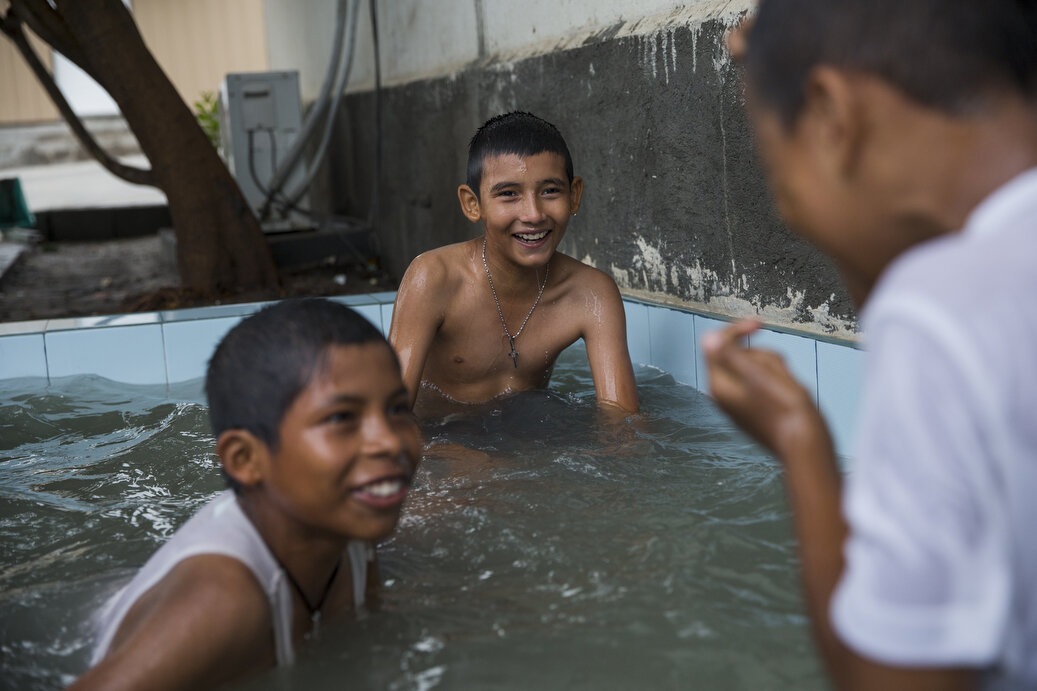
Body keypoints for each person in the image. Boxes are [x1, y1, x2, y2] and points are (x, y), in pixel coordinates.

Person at [703, 1, 1037, 688]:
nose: (793, 215)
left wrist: (799, 441)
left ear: (830, 114)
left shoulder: (939, 308)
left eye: (779, 180)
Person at [69, 299, 422, 690]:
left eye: (397, 409)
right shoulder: (222, 603)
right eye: (341, 418)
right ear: (245, 459)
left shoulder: (350, 525)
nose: (390, 441)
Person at [389, 111, 639, 414]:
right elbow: (388, 416)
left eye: (550, 191)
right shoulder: (433, 278)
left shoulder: (591, 294)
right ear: (473, 204)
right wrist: (450, 456)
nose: (533, 214)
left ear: (574, 196)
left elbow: (623, 424)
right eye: (508, 194)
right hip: (440, 438)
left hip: (525, 437)